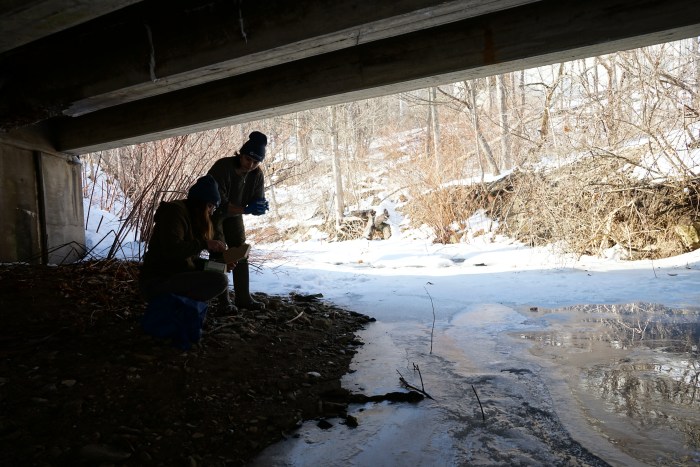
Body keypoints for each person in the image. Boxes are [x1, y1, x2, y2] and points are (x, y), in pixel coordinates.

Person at [139, 175, 230, 302]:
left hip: (175, 273)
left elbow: (191, 260)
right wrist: (205, 244)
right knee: (219, 280)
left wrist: (221, 266)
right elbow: (172, 251)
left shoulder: (194, 216)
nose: (210, 212)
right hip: (157, 279)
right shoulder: (175, 212)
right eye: (209, 206)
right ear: (200, 203)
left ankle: (182, 309)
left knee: (220, 272)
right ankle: (176, 309)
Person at [207, 130, 270, 312]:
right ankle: (223, 301)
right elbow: (218, 204)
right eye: (248, 159)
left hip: (234, 216)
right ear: (241, 155)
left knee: (240, 251)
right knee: (219, 251)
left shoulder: (256, 174)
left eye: (256, 161)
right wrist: (246, 209)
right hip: (214, 214)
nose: (251, 165)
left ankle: (243, 298)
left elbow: (256, 198)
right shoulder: (223, 167)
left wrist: (259, 206)